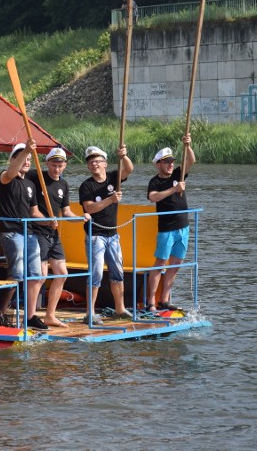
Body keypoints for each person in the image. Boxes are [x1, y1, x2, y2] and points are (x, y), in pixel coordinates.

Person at [26, 147, 91, 327]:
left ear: (64, 166)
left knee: (62, 273)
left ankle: (50, 315)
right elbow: (21, 173)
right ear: (47, 164)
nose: (56, 168)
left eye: (60, 165)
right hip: (37, 232)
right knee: (40, 276)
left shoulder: (64, 185)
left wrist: (80, 218)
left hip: (53, 235)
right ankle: (30, 316)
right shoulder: (36, 176)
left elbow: (66, 212)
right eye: (53, 165)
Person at [0, 140, 48, 331]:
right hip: (11, 231)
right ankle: (0, 314)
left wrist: (49, 220)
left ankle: (30, 316)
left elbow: (34, 212)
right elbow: (11, 171)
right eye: (23, 158)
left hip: (29, 232)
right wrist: (26, 150)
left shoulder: (30, 184)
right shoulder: (5, 177)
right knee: (17, 273)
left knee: (35, 275)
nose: (26, 161)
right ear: (14, 159)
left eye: (29, 159)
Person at [78, 144, 134, 324]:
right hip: (96, 235)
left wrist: (124, 156)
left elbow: (129, 169)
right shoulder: (86, 186)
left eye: (97, 161)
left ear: (105, 163)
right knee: (95, 275)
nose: (94, 165)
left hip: (113, 234)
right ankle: (90, 313)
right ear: (88, 167)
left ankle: (120, 309)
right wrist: (111, 199)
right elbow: (89, 208)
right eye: (91, 162)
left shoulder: (113, 177)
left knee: (117, 272)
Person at [146, 134, 196, 311]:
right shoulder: (156, 181)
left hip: (183, 227)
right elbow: (153, 197)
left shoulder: (178, 174)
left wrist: (187, 145)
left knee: (175, 265)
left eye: (172, 161)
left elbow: (191, 160)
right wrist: (173, 189)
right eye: (166, 162)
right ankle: (151, 302)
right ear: (158, 164)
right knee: (159, 265)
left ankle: (164, 299)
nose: (170, 164)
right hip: (166, 229)